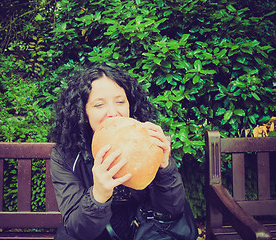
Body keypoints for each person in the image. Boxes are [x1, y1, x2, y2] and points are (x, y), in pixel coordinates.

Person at [50, 65, 187, 240]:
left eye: (120, 102)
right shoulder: (65, 155)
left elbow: (172, 210)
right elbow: (78, 230)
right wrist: (98, 195)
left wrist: (165, 168)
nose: (113, 113)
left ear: (130, 105)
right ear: (83, 113)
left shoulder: (148, 141)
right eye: (99, 105)